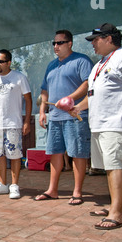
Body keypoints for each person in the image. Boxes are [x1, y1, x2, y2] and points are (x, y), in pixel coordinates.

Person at [71, 23, 122, 230]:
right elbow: (94, 95)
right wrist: (77, 108)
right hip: (99, 125)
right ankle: (119, 206)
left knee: (115, 166)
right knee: (109, 167)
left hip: (115, 123)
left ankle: (116, 214)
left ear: (109, 39)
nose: (93, 44)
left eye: (96, 40)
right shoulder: (99, 64)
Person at [34, 30, 93, 205]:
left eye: (60, 43)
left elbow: (88, 83)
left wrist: (71, 98)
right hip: (55, 117)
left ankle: (77, 192)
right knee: (55, 153)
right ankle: (52, 190)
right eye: (54, 43)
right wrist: (43, 111)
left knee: (77, 153)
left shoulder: (81, 60)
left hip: (75, 115)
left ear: (70, 43)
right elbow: (44, 90)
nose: (56, 46)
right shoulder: (51, 65)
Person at [0, 49, 32, 199]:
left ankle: (14, 185)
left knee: (14, 154)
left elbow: (28, 100)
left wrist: (27, 121)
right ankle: (3, 184)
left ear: (9, 63)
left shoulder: (19, 78)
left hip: (13, 123)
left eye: (0, 61)